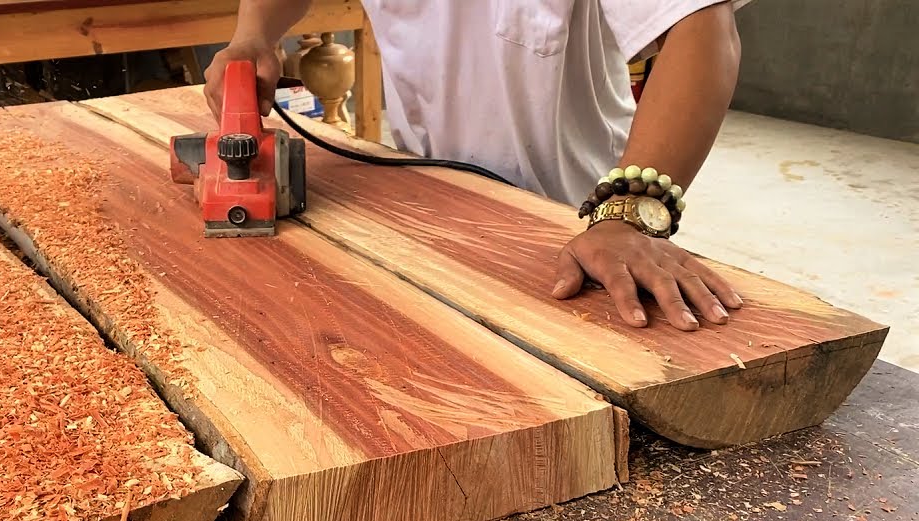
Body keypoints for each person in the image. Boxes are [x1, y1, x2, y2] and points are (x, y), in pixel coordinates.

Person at [205, 1, 750, 332]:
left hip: (584, 225)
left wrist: (629, 215)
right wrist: (253, 32)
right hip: (436, 205)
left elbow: (701, 27)